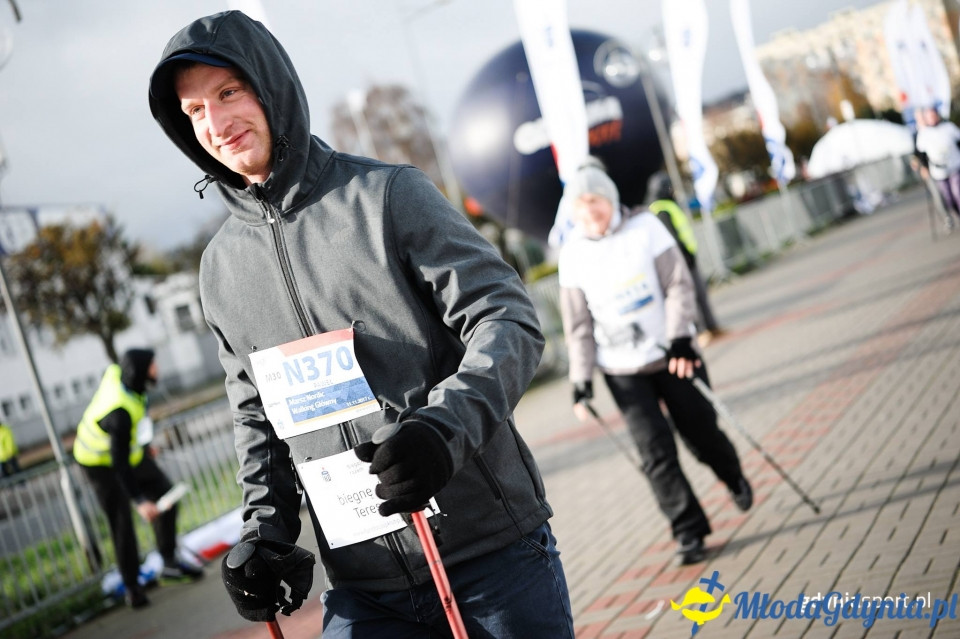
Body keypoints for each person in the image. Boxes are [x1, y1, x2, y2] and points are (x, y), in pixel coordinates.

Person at [148, 11, 574, 637]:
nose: (215, 124)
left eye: (228, 93)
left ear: (270, 87)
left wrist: (441, 429)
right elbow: (256, 416)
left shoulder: (386, 196)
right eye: (194, 112)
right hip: (364, 590)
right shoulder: (219, 271)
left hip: (489, 560)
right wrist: (263, 534)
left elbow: (506, 318)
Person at [557, 162, 752, 566]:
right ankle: (688, 530)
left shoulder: (646, 228)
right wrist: (581, 382)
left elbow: (678, 285)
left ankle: (731, 474)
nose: (590, 212)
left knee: (701, 433)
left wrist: (681, 338)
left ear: (610, 199)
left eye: (595, 202)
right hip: (622, 370)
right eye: (581, 206)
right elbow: (577, 325)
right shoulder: (572, 254)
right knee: (655, 453)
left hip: (673, 355)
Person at [73, 349, 202, 609]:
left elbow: (133, 429)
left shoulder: (125, 379)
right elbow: (118, 462)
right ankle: (132, 588)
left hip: (126, 453)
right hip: (98, 462)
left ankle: (169, 564)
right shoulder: (118, 411)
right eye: (153, 365)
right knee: (122, 523)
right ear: (141, 371)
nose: (157, 369)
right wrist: (140, 501)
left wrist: (143, 448)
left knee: (165, 492)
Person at [648, 175, 725, 346]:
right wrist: (684, 256)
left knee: (701, 293)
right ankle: (700, 331)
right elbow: (671, 237)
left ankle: (712, 327)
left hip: (688, 257)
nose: (672, 190)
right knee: (690, 296)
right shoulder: (660, 209)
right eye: (669, 187)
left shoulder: (668, 205)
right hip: (681, 260)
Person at [914, 107, 960, 231]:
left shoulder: (949, 127)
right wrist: (924, 167)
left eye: (934, 115)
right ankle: (950, 216)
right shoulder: (923, 133)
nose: (932, 118)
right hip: (938, 171)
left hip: (954, 166)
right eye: (929, 116)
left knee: (958, 193)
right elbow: (920, 153)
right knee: (948, 198)